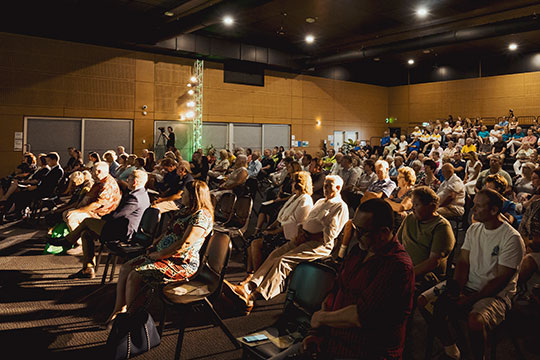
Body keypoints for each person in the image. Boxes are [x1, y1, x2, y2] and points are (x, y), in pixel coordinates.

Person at [297, 199, 414, 359]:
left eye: (361, 231)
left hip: (364, 351)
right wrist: (316, 333)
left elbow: (361, 315)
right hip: (333, 342)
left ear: (384, 233)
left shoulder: (397, 266)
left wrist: (321, 318)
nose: (355, 235)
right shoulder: (359, 251)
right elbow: (337, 290)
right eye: (354, 228)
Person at [418, 189, 525, 360]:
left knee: (475, 319)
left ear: (494, 210)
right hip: (468, 285)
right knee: (424, 301)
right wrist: (458, 288)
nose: (473, 209)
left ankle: (477, 356)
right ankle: (451, 346)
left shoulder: (511, 238)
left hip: (496, 295)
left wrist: (470, 299)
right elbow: (463, 262)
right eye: (473, 204)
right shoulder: (474, 229)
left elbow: (500, 280)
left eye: (478, 206)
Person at [225, 175, 349, 309]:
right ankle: (248, 286)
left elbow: (331, 235)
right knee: (275, 254)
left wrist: (310, 235)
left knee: (283, 261)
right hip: (303, 238)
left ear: (338, 188)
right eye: (324, 185)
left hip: (318, 245)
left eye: (328, 186)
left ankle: (255, 295)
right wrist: (302, 232)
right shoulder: (320, 202)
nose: (324, 189)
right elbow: (306, 221)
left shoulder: (340, 206)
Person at [107, 180, 213, 324]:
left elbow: (184, 244)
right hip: (162, 255)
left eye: (185, 193)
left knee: (135, 276)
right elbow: (169, 231)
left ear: (194, 196)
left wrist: (159, 255)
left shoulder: (201, 216)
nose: (182, 195)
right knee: (126, 268)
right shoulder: (185, 210)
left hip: (180, 262)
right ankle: (119, 310)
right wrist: (156, 243)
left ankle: (132, 320)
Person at [49, 170, 151, 279]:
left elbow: (116, 216)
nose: (127, 180)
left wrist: (102, 218)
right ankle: (88, 269)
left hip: (122, 232)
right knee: (85, 233)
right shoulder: (143, 194)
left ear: (134, 182)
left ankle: (68, 241)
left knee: (88, 221)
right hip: (124, 228)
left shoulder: (134, 198)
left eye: (129, 179)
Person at [244, 171, 313, 275]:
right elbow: (282, 216)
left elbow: (294, 223)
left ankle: (257, 275)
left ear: (300, 184)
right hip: (281, 230)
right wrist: (271, 226)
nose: (291, 184)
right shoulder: (294, 197)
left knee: (256, 243)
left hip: (287, 235)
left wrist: (273, 232)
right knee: (251, 239)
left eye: (293, 182)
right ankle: (249, 273)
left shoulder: (305, 200)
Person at [397, 186, 455, 284]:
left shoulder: (441, 226)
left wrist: (407, 274)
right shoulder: (410, 218)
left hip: (425, 276)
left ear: (431, 207)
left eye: (416, 205)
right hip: (404, 268)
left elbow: (433, 262)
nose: (412, 208)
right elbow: (396, 243)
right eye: (413, 204)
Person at [62, 162, 122, 253]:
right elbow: (88, 197)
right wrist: (77, 207)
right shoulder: (99, 181)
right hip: (94, 211)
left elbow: (97, 204)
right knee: (67, 213)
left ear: (101, 172)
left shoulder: (107, 184)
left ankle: (82, 245)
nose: (93, 174)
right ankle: (78, 239)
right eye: (92, 171)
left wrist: (78, 211)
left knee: (72, 217)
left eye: (95, 172)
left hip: (102, 215)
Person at [4, 152, 64, 221]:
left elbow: (49, 184)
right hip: (42, 189)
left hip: (45, 191)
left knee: (21, 194)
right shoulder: (54, 169)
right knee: (21, 192)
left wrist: (36, 187)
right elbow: (45, 182)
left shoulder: (57, 171)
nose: (47, 162)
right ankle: (17, 212)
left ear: (54, 160)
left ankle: (18, 213)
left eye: (48, 161)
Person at [385, 166, 415, 232]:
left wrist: (393, 206)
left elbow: (401, 207)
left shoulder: (412, 192)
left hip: (403, 225)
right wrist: (396, 208)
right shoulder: (397, 189)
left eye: (400, 177)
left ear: (407, 179)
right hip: (391, 219)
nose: (397, 178)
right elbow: (386, 201)